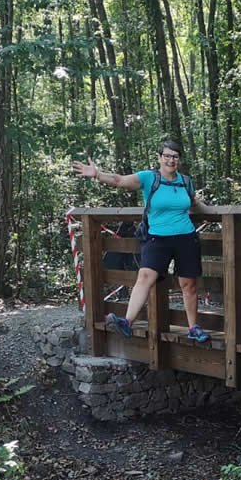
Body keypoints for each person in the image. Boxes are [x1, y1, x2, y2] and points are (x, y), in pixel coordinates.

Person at [72, 141, 210, 342]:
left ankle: (193, 328)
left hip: (186, 237)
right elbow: (119, 180)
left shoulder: (185, 181)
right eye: (167, 156)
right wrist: (97, 175)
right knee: (145, 276)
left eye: (175, 156)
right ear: (159, 158)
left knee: (188, 284)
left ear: (179, 159)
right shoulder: (149, 178)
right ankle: (127, 322)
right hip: (157, 237)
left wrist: (218, 214)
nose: (171, 160)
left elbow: (194, 203)